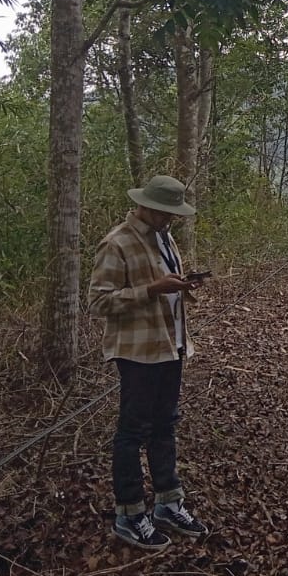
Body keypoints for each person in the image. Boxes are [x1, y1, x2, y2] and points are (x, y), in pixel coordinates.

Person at [88, 174, 211, 550]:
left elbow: (164, 286)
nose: (169, 220)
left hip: (170, 347)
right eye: (165, 213)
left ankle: (168, 502)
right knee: (132, 432)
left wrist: (182, 287)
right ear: (147, 206)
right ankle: (129, 513)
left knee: (165, 425)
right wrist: (152, 290)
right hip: (138, 353)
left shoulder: (164, 238)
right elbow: (98, 302)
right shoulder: (117, 243)